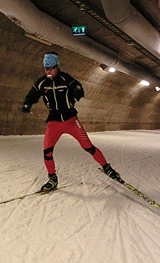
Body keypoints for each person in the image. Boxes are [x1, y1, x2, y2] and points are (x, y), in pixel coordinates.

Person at [22, 51, 121, 192]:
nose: (48, 71)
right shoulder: (42, 82)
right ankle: (52, 179)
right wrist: (27, 104)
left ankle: (107, 168)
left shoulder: (65, 78)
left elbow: (77, 86)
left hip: (70, 120)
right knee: (47, 153)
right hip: (54, 123)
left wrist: (77, 91)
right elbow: (33, 94)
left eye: (51, 68)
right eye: (46, 69)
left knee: (88, 147)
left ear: (57, 66)